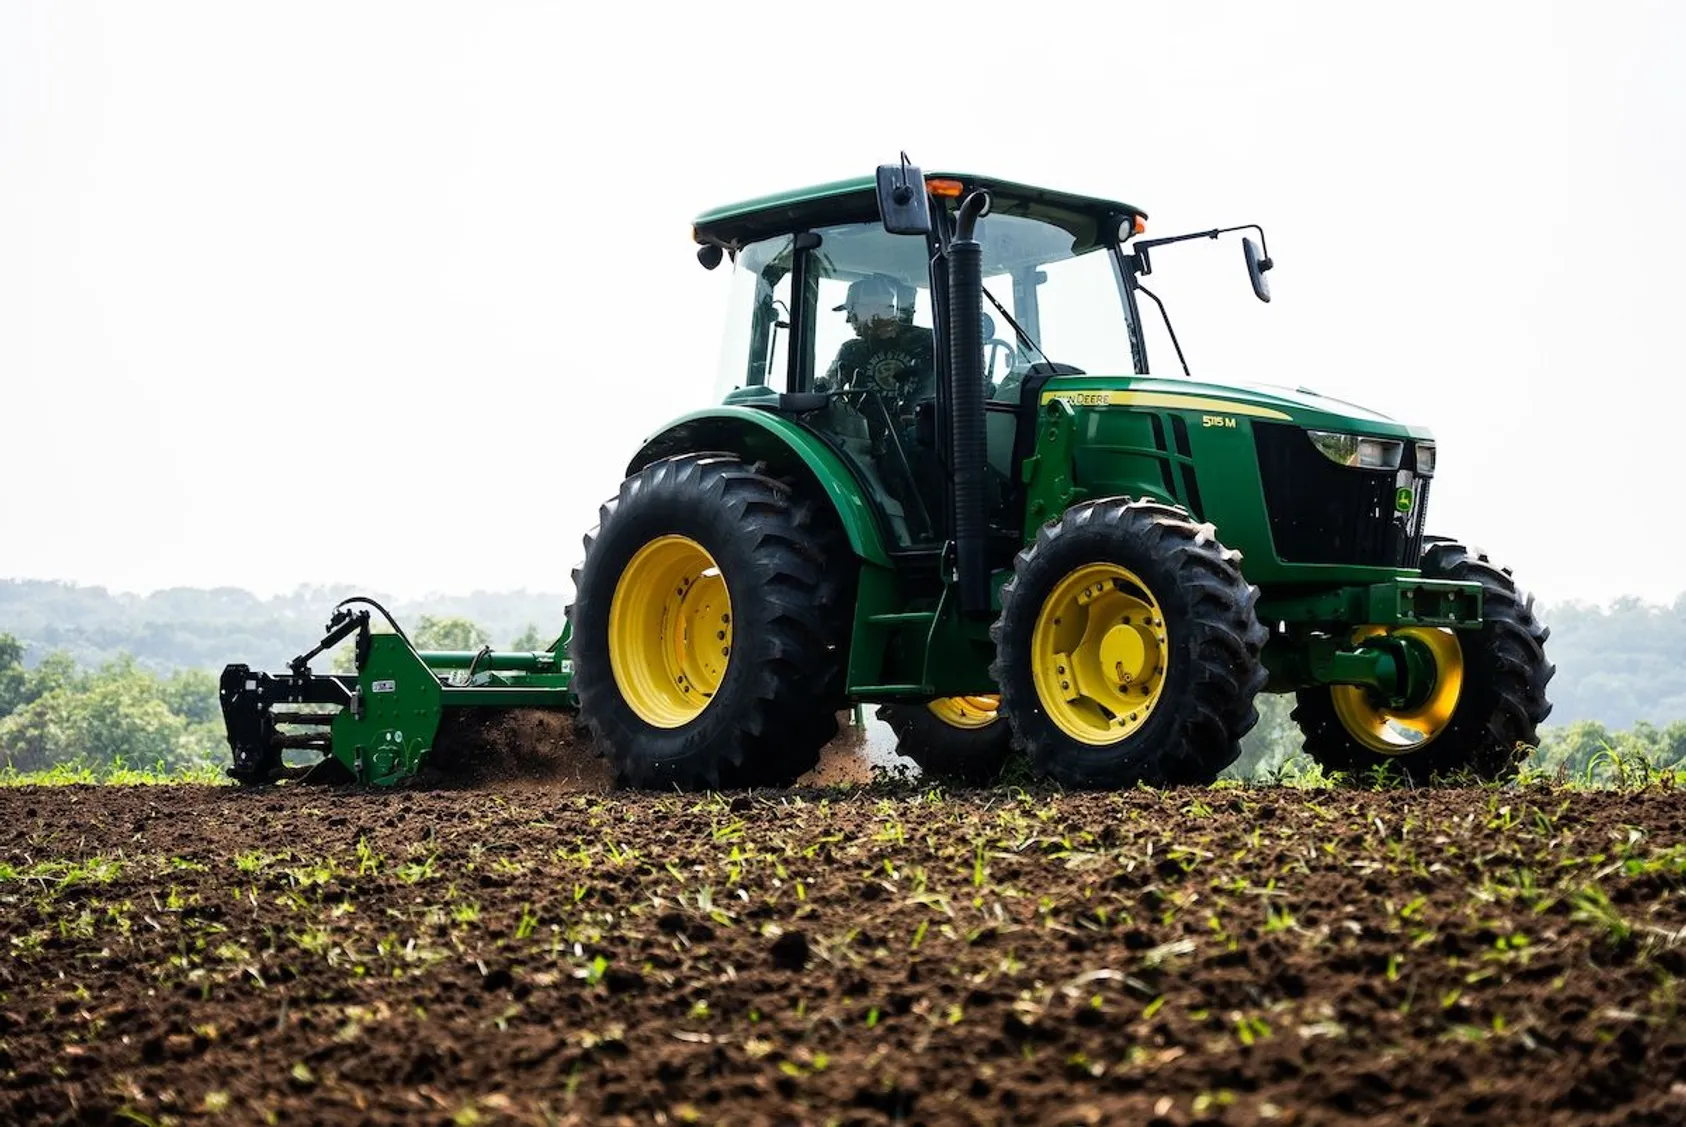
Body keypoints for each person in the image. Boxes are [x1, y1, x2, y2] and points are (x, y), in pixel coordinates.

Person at [821, 274, 936, 417]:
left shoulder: (928, 342)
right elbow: (829, 389)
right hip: (865, 435)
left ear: (871, 311)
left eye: (851, 312)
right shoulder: (851, 350)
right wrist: (821, 386)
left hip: (920, 432)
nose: (848, 320)